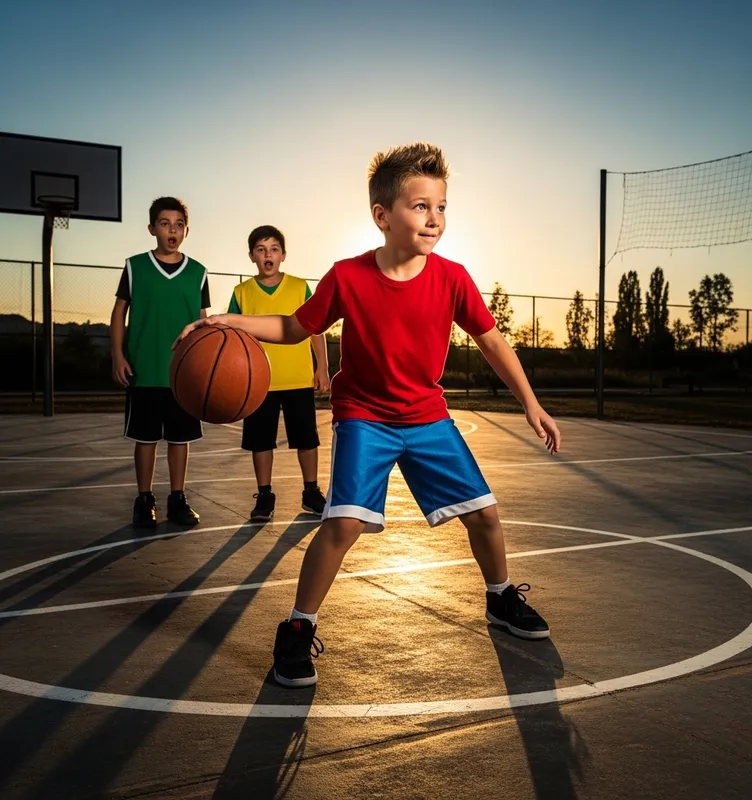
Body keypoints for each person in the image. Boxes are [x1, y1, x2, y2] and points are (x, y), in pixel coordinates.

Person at [175, 143, 561, 688]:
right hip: (364, 417)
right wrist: (227, 321)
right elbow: (294, 327)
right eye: (420, 206)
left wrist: (531, 403)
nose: (434, 218)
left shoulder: (453, 278)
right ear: (382, 215)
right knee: (343, 524)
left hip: (427, 416)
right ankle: (297, 627)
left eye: (442, 207)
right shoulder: (348, 276)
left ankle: (500, 597)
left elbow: (493, 342)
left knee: (485, 515)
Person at [111, 196, 210, 529]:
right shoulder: (135, 267)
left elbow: (202, 321)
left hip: (183, 372)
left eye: (179, 225)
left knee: (180, 439)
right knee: (146, 438)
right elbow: (118, 313)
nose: (172, 230)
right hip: (144, 367)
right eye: (165, 224)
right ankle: (144, 500)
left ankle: (177, 499)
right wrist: (118, 355)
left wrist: (204, 365)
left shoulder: (198, 272)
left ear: (186, 231)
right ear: (152, 228)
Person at [228, 225, 330, 521]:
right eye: (261, 250)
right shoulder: (242, 293)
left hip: (297, 377)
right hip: (258, 381)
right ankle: (264, 495)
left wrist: (322, 367)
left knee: (307, 439)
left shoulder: (299, 287)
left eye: (273, 249)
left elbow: (315, 329)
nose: (267, 255)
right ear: (252, 256)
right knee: (261, 441)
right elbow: (232, 336)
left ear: (283, 255)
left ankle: (311, 491)